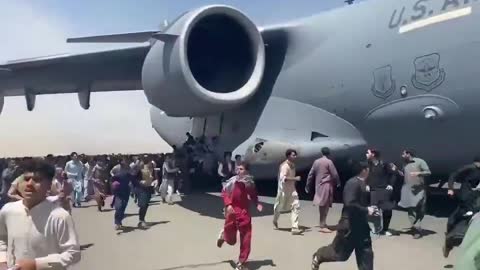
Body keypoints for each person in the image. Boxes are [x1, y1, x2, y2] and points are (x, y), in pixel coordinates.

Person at [0, 159, 81, 269]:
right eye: (26, 179)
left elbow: (73, 253)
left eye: (37, 180)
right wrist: (3, 262)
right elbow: (2, 240)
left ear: (49, 185)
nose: (29, 184)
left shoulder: (59, 216)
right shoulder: (8, 210)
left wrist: (37, 264)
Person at [311, 161, 377, 270]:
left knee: (366, 254)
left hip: (362, 227)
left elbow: (363, 203)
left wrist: (372, 210)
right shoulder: (352, 183)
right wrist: (366, 210)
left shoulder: (365, 184)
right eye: (369, 169)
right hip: (349, 227)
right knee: (340, 254)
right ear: (364, 170)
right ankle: (319, 255)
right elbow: (349, 203)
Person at [216, 162, 263, 270]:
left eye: (241, 169)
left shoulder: (250, 183)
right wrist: (228, 205)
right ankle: (224, 236)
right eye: (237, 169)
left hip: (244, 213)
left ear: (247, 171)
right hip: (232, 212)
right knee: (231, 241)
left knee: (246, 238)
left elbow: (253, 195)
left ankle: (242, 262)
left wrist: (257, 204)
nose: (238, 171)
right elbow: (224, 193)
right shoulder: (232, 181)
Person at [442, 157, 480, 257]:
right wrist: (450, 188)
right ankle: (448, 243)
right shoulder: (469, 168)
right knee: (457, 217)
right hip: (466, 197)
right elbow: (454, 174)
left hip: (476, 198)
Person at [394, 149, 431, 239]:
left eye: (403, 154)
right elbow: (403, 174)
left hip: (419, 190)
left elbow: (428, 172)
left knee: (421, 208)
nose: (402, 156)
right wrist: (396, 170)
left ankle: (416, 226)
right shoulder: (404, 163)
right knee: (411, 210)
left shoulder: (420, 161)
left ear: (408, 154)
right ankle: (416, 229)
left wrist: (418, 173)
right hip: (408, 190)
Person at [305, 147, 340, 233]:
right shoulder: (329, 162)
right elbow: (334, 174)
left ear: (322, 153)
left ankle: (322, 223)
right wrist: (338, 182)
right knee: (326, 204)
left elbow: (311, 174)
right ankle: (323, 224)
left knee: (321, 204)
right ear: (329, 153)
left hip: (318, 185)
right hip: (327, 184)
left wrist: (307, 185)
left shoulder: (316, 162)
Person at [365, 149, 397, 236]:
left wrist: (391, 184)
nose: (366, 154)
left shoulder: (384, 164)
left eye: (368, 153)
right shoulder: (368, 164)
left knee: (387, 210)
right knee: (374, 211)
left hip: (384, 190)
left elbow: (393, 174)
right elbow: (365, 175)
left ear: (373, 154)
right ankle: (376, 228)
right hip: (373, 190)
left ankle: (385, 229)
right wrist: (367, 184)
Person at [273, 149, 302, 235]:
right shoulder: (284, 166)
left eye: (295, 155)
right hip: (283, 191)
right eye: (293, 155)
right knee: (279, 207)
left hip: (292, 190)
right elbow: (283, 179)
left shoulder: (293, 165)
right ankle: (275, 220)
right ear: (288, 156)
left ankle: (294, 227)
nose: (295, 157)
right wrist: (295, 179)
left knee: (296, 206)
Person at [111, 158, 138, 230]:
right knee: (118, 206)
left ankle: (119, 222)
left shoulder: (129, 169)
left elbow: (133, 178)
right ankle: (117, 222)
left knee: (123, 207)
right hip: (118, 190)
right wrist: (114, 181)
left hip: (126, 190)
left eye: (127, 161)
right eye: (124, 161)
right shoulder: (116, 167)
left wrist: (135, 188)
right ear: (121, 161)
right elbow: (111, 173)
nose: (126, 162)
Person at [137, 162, 155, 228]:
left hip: (149, 188)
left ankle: (142, 219)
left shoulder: (152, 171)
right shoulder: (140, 171)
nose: (150, 169)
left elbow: (155, 178)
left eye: (151, 168)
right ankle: (141, 220)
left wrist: (155, 182)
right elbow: (136, 180)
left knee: (146, 204)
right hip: (142, 189)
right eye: (148, 168)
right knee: (143, 205)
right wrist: (141, 182)